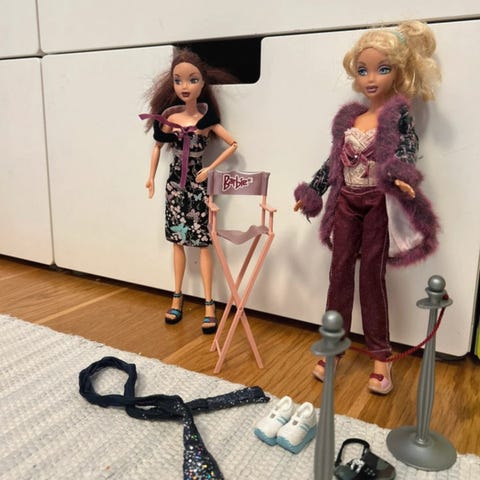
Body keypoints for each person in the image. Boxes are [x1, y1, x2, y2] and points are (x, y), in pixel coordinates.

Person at [294, 21, 441, 394]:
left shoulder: (397, 115)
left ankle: (380, 356)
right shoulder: (350, 119)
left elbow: (407, 147)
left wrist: (402, 173)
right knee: (339, 273)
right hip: (346, 202)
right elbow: (333, 163)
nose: (371, 78)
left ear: (399, 72)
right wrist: (313, 190)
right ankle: (333, 345)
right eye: (363, 70)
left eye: (382, 69)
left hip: (377, 203)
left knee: (372, 278)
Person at [140, 49, 237, 334]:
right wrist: (151, 177)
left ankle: (209, 304)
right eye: (178, 80)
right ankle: (177, 297)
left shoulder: (206, 121)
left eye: (192, 80)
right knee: (177, 241)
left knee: (203, 242)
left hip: (197, 186)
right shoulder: (170, 118)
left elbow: (233, 144)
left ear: (202, 83)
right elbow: (157, 147)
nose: (185, 86)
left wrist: (210, 169)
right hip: (174, 186)